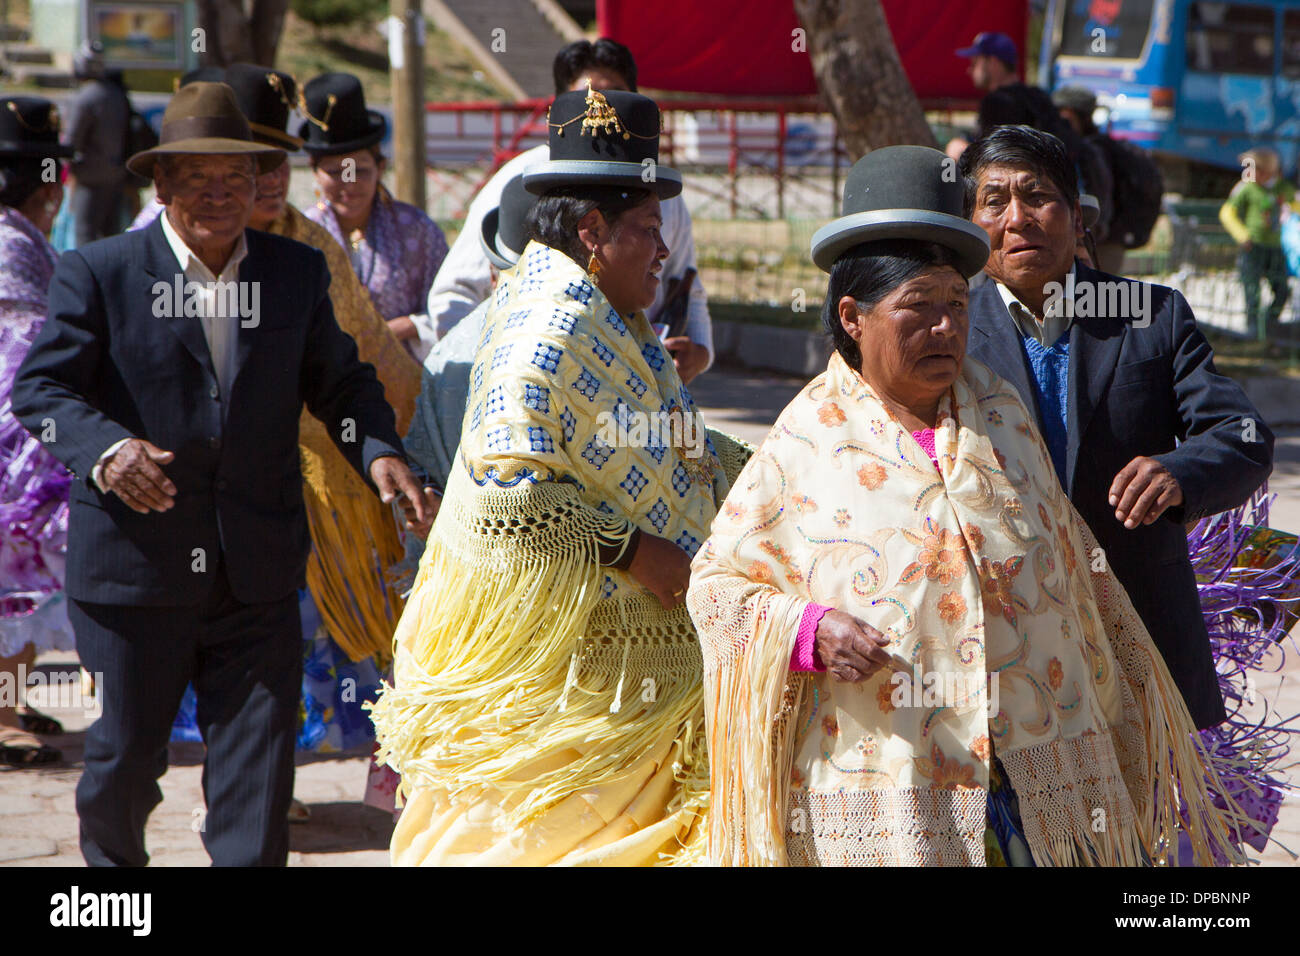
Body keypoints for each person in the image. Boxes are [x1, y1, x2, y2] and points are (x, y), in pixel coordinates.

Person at [687, 145, 1244, 867]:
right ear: (853, 318)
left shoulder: (1001, 413)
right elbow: (717, 588)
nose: (948, 329)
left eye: (956, 305)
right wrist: (807, 630)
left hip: (1040, 776)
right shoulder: (805, 442)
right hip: (898, 787)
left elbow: (1078, 574)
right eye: (920, 309)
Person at [11, 82, 427, 866]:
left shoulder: (294, 273)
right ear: (160, 185)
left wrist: (376, 450)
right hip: (136, 574)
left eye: (236, 178)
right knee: (126, 765)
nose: (220, 195)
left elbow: (341, 385)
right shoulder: (98, 273)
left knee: (257, 773)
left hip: (257, 570)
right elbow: (43, 389)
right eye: (198, 178)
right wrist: (107, 448)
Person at [368, 88, 750, 866]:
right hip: (570, 674)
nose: (662, 251)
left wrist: (778, 467)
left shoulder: (613, 318)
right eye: (648, 231)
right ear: (592, 232)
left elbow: (670, 442)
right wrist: (637, 552)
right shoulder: (549, 324)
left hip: (622, 662)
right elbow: (515, 491)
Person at [128, 68, 425, 808]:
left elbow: (363, 366)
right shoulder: (149, 249)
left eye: (274, 164)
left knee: (298, 646)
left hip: (319, 500)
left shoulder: (311, 250)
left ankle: (270, 785)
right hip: (195, 492)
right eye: (243, 164)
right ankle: (236, 787)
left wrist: (390, 446)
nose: (262, 181)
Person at [960, 126, 1274, 734]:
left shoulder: (1150, 317)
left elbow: (1244, 436)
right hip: (1002, 653)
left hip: (1138, 644)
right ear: (973, 226)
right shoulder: (948, 330)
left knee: (1136, 826)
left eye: (1038, 196)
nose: (1019, 218)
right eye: (995, 201)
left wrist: (1179, 471)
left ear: (1076, 217)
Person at [423, 37, 714, 383]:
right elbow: (453, 294)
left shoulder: (659, 193)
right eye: (589, 99)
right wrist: (485, 368)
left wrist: (699, 352)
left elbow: (686, 283)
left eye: (613, 96)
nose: (602, 108)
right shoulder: (520, 185)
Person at [0, 96, 76, 765]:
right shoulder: (12, 242)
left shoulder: (20, 236)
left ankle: (11, 698)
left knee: (21, 577)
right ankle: (0, 713)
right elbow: (21, 355)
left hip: (20, 427)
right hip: (13, 438)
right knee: (15, 569)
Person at [301, 73, 448, 360]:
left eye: (361, 170)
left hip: (405, 382)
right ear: (314, 171)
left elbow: (450, 308)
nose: (349, 184)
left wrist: (405, 327)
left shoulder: (417, 230)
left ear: (381, 168)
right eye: (334, 172)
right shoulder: (302, 235)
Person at [946, 32, 1110, 235]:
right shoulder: (1038, 96)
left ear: (993, 62)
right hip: (1062, 204)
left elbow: (990, 163)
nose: (969, 69)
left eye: (975, 61)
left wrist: (960, 151)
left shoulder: (998, 103)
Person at [1220, 147, 1298, 339]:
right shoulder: (1246, 188)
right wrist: (1242, 235)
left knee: (1281, 289)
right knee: (1252, 290)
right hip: (1253, 247)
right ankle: (1253, 329)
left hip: (1274, 248)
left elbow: (1296, 204)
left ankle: (1270, 323)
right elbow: (1227, 213)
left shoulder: (1282, 189)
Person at [63, 42, 130, 245]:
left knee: (85, 236)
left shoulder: (84, 98)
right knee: (111, 237)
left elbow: (70, 142)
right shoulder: (117, 95)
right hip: (117, 175)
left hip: (89, 179)